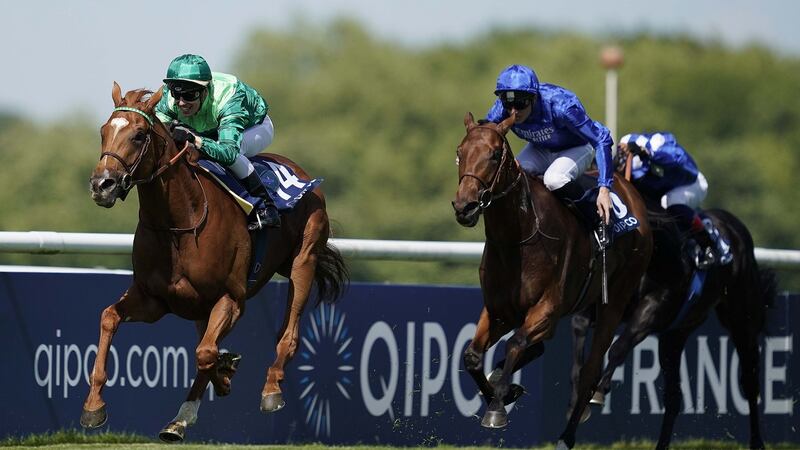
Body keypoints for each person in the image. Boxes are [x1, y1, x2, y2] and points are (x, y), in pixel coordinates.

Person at [154, 54, 281, 230]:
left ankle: (267, 207)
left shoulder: (228, 98)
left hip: (253, 128)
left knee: (235, 154)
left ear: (205, 91)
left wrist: (195, 139)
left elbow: (228, 152)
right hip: (210, 129)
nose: (181, 103)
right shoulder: (168, 96)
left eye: (189, 95)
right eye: (177, 94)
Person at [485, 64, 614, 225]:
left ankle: (595, 220)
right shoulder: (502, 109)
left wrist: (604, 189)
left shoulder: (561, 107)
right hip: (540, 148)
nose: (513, 111)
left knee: (554, 179)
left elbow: (601, 139)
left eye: (520, 104)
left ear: (534, 98)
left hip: (577, 147)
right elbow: (482, 134)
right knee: (511, 174)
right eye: (508, 103)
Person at [618, 132, 732, 268]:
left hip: (690, 184)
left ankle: (710, 242)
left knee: (671, 202)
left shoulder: (659, 143)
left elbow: (676, 158)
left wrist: (647, 151)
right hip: (666, 190)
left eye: (624, 151)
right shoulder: (626, 158)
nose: (623, 153)